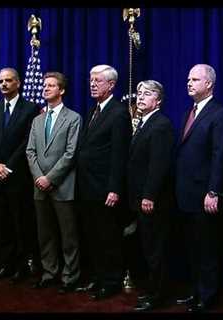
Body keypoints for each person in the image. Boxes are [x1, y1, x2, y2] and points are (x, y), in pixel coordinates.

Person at [175, 64, 223, 312]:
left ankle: (207, 297)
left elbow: (220, 156)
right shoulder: (189, 112)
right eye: (188, 79)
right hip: (185, 194)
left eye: (195, 79)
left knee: (207, 249)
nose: (189, 83)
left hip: (204, 196)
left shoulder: (221, 114)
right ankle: (196, 291)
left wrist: (213, 192)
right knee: (191, 248)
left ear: (209, 84)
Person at [76, 64, 132, 300]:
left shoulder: (118, 113)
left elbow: (120, 155)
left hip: (105, 189)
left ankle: (111, 282)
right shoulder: (94, 110)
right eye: (90, 80)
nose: (92, 84)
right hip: (87, 187)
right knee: (92, 236)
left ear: (111, 85)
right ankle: (99, 277)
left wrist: (114, 189)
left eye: (97, 80)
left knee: (108, 237)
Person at [26, 72, 82, 294]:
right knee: (45, 235)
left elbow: (71, 153)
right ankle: (50, 273)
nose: (46, 88)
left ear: (62, 90)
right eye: (44, 85)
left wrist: (50, 178)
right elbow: (30, 151)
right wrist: (39, 177)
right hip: (39, 187)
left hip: (62, 187)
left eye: (51, 85)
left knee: (68, 236)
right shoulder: (37, 120)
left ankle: (70, 276)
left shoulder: (73, 118)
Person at [127, 80, 175, 311]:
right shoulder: (144, 123)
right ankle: (151, 289)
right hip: (140, 198)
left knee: (156, 250)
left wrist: (149, 196)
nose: (140, 97)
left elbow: (159, 165)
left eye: (146, 94)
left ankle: (158, 295)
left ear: (158, 100)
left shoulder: (161, 125)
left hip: (153, 200)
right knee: (147, 248)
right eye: (138, 93)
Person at [0, 67, 39, 283]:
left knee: (21, 224)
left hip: (17, 176)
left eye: (8, 80)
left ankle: (22, 265)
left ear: (18, 83)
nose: (4, 84)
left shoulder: (31, 108)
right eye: (1, 81)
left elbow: (27, 142)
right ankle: (5, 263)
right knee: (1, 224)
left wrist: (7, 167)